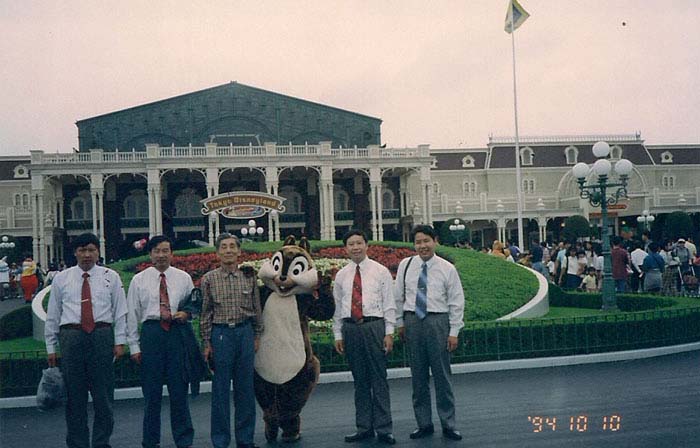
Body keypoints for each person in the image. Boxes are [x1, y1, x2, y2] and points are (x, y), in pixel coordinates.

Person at [44, 232, 128, 448]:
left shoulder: (111, 276)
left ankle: (101, 443)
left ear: (98, 252)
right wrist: (50, 346)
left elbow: (120, 311)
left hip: (101, 335)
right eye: (82, 250)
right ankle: (77, 443)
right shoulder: (62, 278)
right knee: (75, 398)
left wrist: (119, 342)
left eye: (91, 250)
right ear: (75, 253)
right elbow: (53, 313)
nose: (87, 255)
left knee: (103, 396)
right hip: (72, 337)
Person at [395, 225, 464, 442]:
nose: (422, 246)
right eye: (418, 242)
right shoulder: (405, 266)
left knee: (442, 376)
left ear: (435, 241)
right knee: (418, 377)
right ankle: (423, 423)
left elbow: (456, 301)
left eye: (426, 241)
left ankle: (448, 423)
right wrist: (400, 323)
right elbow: (398, 297)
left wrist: (453, 331)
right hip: (413, 322)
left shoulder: (447, 269)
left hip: (438, 322)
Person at [126, 235, 196, 448]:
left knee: (178, 391)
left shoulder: (183, 278)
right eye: (157, 251)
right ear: (150, 254)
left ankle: (184, 440)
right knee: (152, 393)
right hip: (152, 334)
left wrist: (185, 313)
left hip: (176, 333)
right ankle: (150, 441)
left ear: (171, 253)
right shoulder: (140, 280)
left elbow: (193, 304)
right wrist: (134, 346)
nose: (161, 255)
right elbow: (132, 314)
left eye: (165, 250)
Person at [333, 230, 396, 445]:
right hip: (351, 329)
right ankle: (364, 427)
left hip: (374, 326)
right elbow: (338, 307)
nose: (355, 247)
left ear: (367, 245)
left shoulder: (381, 271)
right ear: (346, 248)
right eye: (351, 244)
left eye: (359, 243)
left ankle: (384, 428)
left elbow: (389, 304)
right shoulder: (341, 275)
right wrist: (338, 334)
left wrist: (389, 332)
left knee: (379, 378)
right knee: (360, 380)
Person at [200, 233, 261, 448]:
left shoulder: (249, 276)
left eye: (232, 247)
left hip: (244, 334)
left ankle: (245, 440)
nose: (228, 250)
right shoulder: (209, 279)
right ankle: (221, 441)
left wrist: (257, 334)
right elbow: (206, 313)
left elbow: (256, 308)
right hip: (221, 335)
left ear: (239, 251)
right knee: (220, 391)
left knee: (245, 390)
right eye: (223, 247)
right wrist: (207, 342)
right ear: (217, 252)